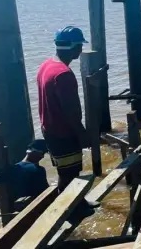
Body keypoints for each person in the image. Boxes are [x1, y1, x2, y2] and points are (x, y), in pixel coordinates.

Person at [36, 26, 89, 190]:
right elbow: (71, 112)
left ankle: (78, 203)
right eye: (80, 46)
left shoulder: (46, 65)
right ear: (74, 47)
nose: (81, 50)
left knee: (65, 171)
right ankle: (69, 209)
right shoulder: (63, 74)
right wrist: (82, 134)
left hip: (50, 130)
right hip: (63, 133)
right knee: (69, 174)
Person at [0, 139, 50, 210]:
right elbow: (46, 192)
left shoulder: (12, 170)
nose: (42, 157)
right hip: (36, 208)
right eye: (43, 153)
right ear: (36, 153)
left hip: (18, 208)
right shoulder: (39, 170)